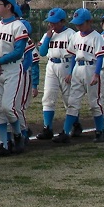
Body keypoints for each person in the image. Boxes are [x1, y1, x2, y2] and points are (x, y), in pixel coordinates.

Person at [53, 8, 104, 144]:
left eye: (81, 23)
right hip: (78, 68)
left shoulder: (97, 37)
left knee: (94, 102)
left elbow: (100, 57)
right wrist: (71, 72)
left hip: (91, 67)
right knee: (72, 102)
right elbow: (72, 56)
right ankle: (65, 132)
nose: (78, 26)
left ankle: (100, 130)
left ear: (89, 22)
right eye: (77, 24)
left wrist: (96, 74)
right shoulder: (76, 36)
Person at [0, 0, 29, 156]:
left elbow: (19, 52)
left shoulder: (19, 26)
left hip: (12, 69)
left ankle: (18, 135)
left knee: (8, 107)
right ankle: (3, 144)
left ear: (8, 6)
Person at [37, 8, 75, 140]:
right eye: (50, 22)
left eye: (55, 22)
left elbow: (75, 54)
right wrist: (48, 38)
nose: (51, 24)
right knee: (48, 97)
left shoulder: (71, 34)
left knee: (68, 99)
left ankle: (74, 125)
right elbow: (42, 52)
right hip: (51, 65)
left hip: (66, 64)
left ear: (62, 21)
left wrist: (71, 72)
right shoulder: (48, 34)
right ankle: (47, 127)